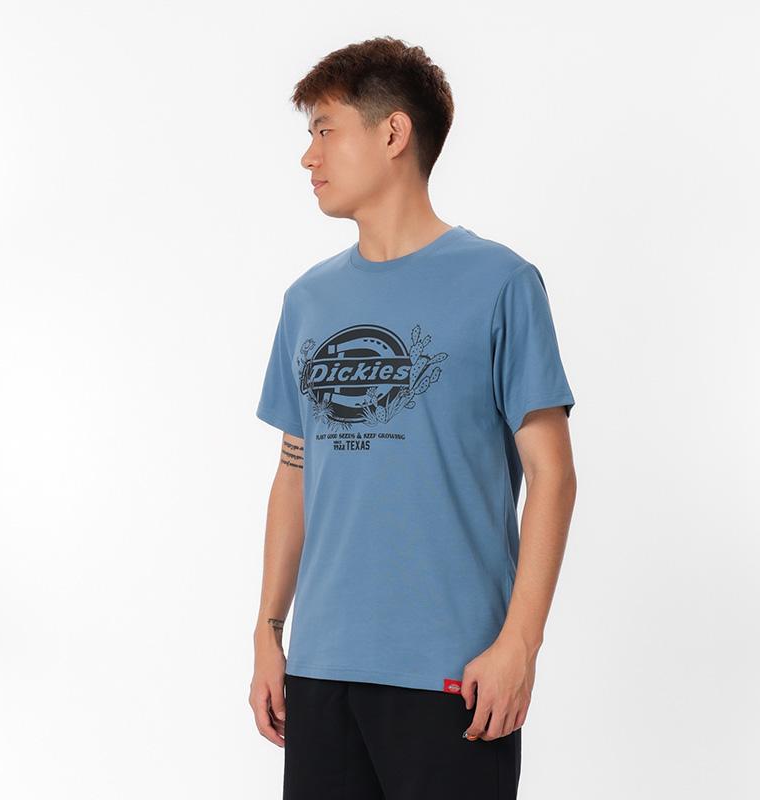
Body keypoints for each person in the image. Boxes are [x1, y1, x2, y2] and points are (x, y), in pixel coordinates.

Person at [250, 35, 577, 800]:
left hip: (453, 677)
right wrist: (268, 632)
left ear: (393, 133)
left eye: (325, 130)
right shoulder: (308, 301)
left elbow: (553, 476)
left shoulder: (501, 284)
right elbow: (294, 472)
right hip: (322, 672)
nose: (308, 156)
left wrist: (520, 644)